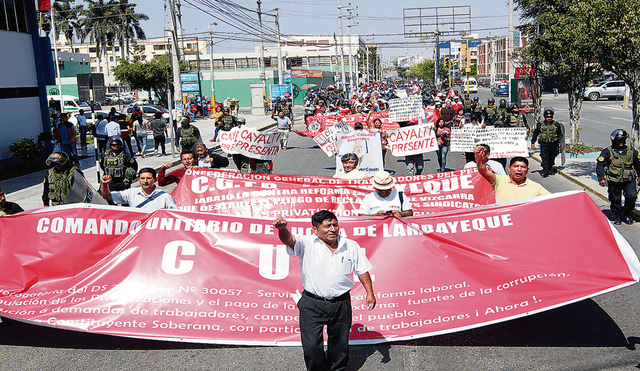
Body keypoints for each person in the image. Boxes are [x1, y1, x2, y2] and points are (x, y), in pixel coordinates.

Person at [273, 210, 376, 371]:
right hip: (312, 303)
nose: (333, 229)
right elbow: (288, 240)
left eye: (335, 225)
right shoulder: (306, 243)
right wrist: (282, 229)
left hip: (341, 303)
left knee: (339, 344)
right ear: (315, 230)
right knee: (312, 346)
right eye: (327, 226)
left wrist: (370, 293)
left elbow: (362, 270)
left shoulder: (351, 245)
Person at [474, 145, 550, 203]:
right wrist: (479, 159)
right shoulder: (499, 180)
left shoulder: (536, 187)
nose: (519, 170)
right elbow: (483, 171)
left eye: (523, 167)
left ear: (527, 171)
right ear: (509, 169)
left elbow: (553, 200)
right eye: (516, 166)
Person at [596, 129, 640, 225]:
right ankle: (618, 215)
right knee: (615, 199)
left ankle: (627, 213)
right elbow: (600, 165)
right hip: (614, 180)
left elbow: (638, 165)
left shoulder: (631, 152)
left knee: (632, 196)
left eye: (623, 140)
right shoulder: (607, 152)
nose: (621, 143)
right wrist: (601, 178)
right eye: (618, 140)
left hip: (629, 180)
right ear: (613, 140)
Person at [101, 167, 177, 210]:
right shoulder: (131, 193)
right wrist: (104, 184)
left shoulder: (165, 198)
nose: (145, 181)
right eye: (142, 178)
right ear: (138, 180)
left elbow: (176, 217)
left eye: (149, 178)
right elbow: (107, 196)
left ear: (155, 180)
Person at [531, 108, 564, 177]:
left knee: (552, 157)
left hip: (553, 144)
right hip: (544, 144)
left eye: (550, 117)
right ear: (545, 117)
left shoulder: (556, 124)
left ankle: (549, 168)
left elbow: (560, 134)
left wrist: (560, 142)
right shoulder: (540, 124)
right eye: (547, 117)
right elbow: (535, 133)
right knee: (544, 157)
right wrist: (533, 142)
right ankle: (545, 171)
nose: (549, 118)